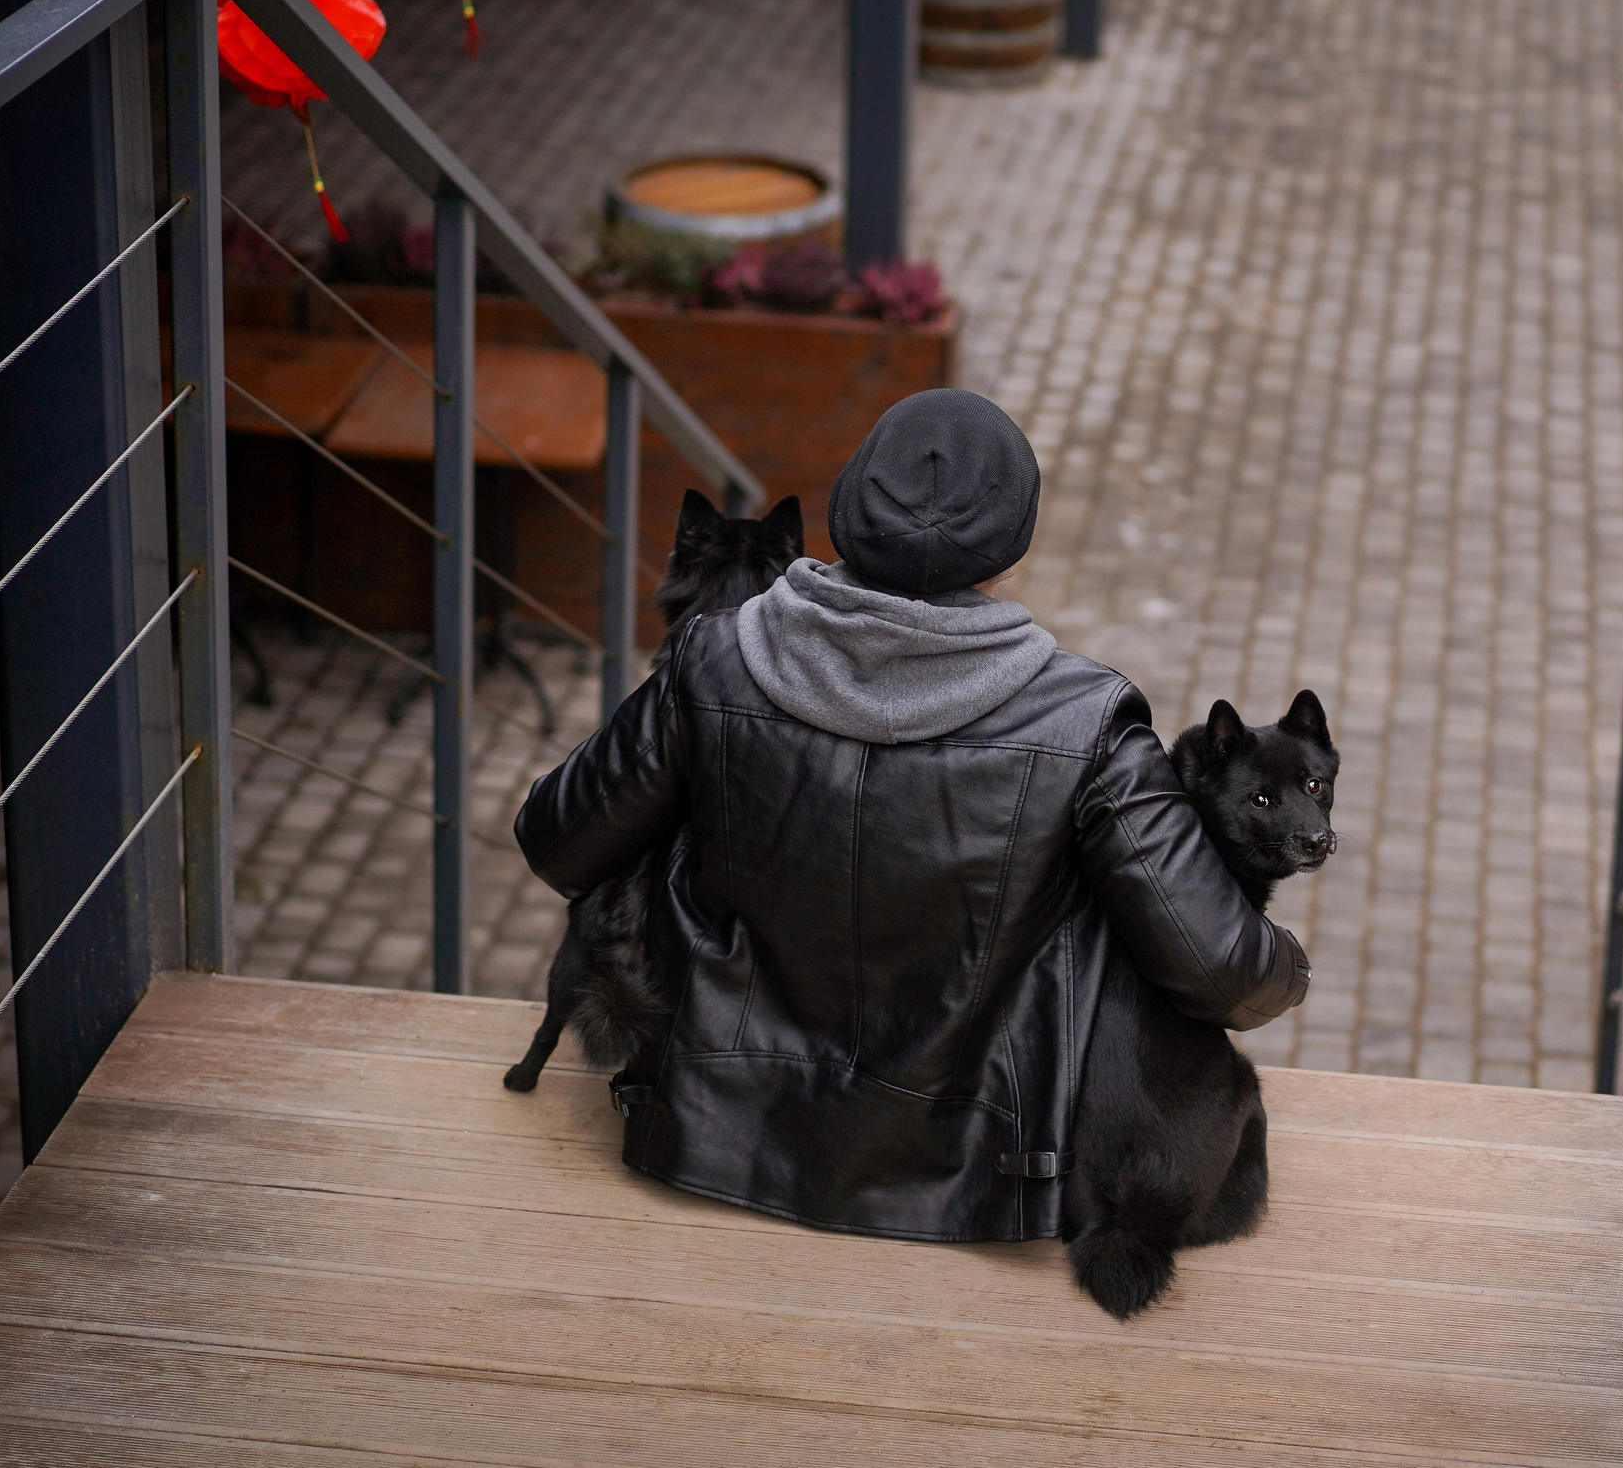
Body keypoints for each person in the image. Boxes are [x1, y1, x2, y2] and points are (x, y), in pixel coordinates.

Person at [515, 390, 1308, 1243]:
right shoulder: (1090, 723)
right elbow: (1223, 971)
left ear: (851, 509)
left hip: (707, 1137)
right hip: (968, 1179)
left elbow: (559, 841)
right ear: (1008, 549)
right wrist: (1291, 966)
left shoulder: (710, 658)